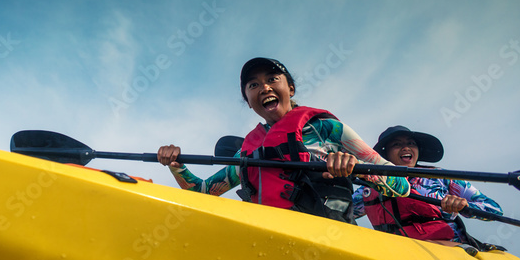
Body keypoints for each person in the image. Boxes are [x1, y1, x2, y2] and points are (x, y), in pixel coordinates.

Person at [156, 57, 410, 223]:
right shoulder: (247, 152)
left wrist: (357, 168)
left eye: (272, 79)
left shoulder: (330, 130)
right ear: (248, 100)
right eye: (253, 85)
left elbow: (402, 186)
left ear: (290, 89)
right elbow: (201, 192)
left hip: (331, 239)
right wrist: (176, 165)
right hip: (271, 242)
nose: (264, 87)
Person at [354, 125, 503, 250]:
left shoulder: (442, 177)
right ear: (385, 154)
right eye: (397, 144)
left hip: (450, 252)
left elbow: (494, 209)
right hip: (398, 256)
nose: (406, 147)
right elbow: (340, 211)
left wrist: (465, 206)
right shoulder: (370, 186)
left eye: (411, 143)